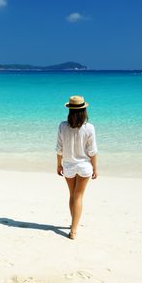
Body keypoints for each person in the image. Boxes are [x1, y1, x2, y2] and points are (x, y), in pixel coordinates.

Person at [55, 95, 98, 240]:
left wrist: (58, 164)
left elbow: (59, 148)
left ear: (70, 110)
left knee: (72, 195)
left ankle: (73, 223)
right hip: (84, 166)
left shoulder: (62, 126)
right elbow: (92, 151)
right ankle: (73, 230)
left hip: (68, 165)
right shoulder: (89, 128)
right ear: (84, 111)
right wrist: (95, 169)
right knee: (79, 196)